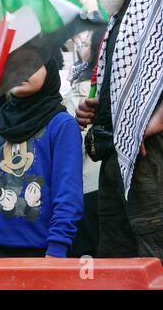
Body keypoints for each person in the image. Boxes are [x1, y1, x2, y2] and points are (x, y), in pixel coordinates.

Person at [0, 59, 84, 258]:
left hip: (45, 250)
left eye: (32, 63)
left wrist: (57, 247)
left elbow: (68, 193)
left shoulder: (61, 125)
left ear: (49, 71)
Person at [76, 0, 163, 260]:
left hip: (151, 156)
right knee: (116, 264)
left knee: (153, 262)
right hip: (116, 156)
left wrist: (154, 121)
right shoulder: (121, 11)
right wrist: (100, 108)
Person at [64, 28, 105, 257]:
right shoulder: (82, 82)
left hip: (89, 185)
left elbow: (73, 141)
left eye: (87, 43)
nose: (82, 48)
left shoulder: (84, 90)